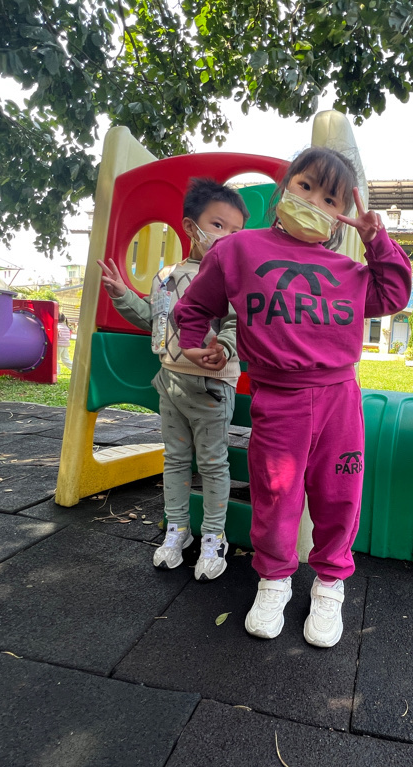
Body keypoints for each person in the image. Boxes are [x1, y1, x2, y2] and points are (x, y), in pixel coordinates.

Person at [174, 147, 412, 648]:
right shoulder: (239, 250)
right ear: (285, 187)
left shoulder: (349, 271)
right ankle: (274, 580)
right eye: (306, 186)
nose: (314, 202)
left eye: (330, 199)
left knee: (339, 495)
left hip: (339, 399)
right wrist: (197, 344)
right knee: (275, 494)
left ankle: (330, 583)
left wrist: (378, 241)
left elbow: (394, 294)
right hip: (278, 399)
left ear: (340, 216)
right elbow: (194, 307)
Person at [98, 178, 249, 582]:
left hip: (212, 387)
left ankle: (214, 536)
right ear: (190, 226)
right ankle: (178, 528)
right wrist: (121, 294)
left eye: (236, 231)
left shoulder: (233, 277)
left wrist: (225, 349)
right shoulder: (167, 276)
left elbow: (237, 323)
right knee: (176, 461)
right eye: (218, 225)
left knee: (213, 463)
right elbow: (155, 319)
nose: (226, 237)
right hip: (171, 384)